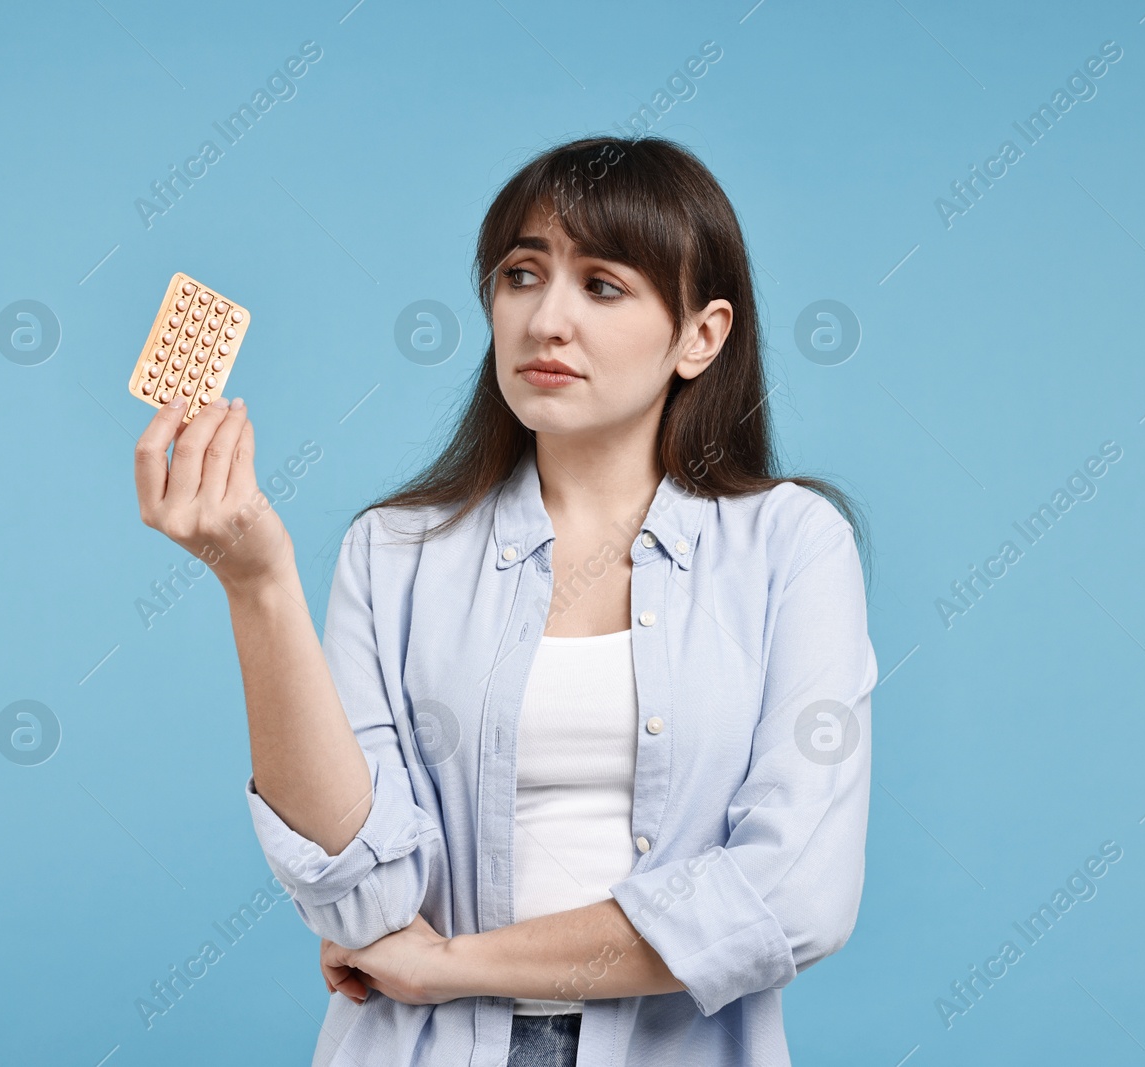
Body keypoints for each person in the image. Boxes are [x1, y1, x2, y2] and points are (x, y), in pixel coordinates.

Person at [133, 134, 877, 1067]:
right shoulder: (395, 552)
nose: (545, 320)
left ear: (702, 335)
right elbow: (363, 900)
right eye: (522, 275)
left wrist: (450, 964)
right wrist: (258, 584)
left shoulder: (792, 546)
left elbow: (793, 895)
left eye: (602, 285)